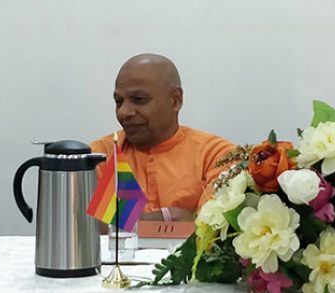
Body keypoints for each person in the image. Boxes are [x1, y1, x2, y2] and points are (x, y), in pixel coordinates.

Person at [90, 54, 234, 222]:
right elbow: (91, 229)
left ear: (175, 100)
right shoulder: (100, 155)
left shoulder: (216, 155)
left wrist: (124, 222)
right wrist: (169, 217)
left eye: (139, 100)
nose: (124, 112)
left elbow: (211, 229)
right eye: (118, 101)